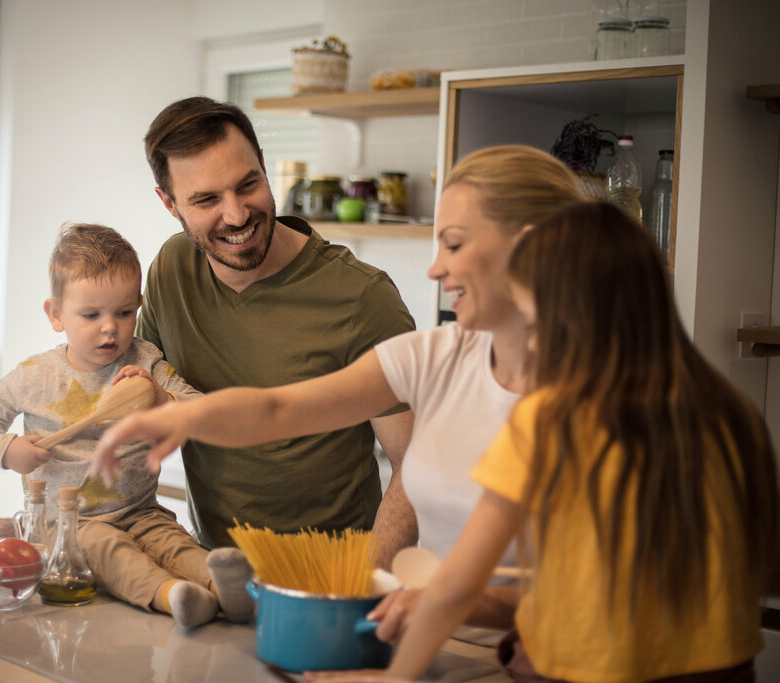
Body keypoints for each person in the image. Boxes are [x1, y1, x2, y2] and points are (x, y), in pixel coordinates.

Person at [91, 144, 585, 631]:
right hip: (478, 633)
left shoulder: (589, 399)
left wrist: (369, 593)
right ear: (170, 203)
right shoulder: (438, 354)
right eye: (206, 199)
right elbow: (279, 410)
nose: (434, 269)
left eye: (453, 243)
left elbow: (581, 585)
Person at [306, 202, 780, 682]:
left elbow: (458, 582)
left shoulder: (553, 418)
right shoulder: (727, 408)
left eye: (530, 322)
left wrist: (391, 680)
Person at [138, 96, 418, 566]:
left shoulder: (362, 297)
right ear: (169, 204)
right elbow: (146, 384)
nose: (237, 215)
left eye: (247, 185)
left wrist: (361, 583)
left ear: (265, 167)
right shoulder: (172, 270)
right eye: (206, 200)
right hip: (214, 574)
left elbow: (419, 463)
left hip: (330, 580)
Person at [0, 223, 253, 629]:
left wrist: (161, 398)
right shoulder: (34, 375)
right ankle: (173, 596)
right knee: (109, 549)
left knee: (174, 543)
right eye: (91, 314)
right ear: (56, 314)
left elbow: (200, 409)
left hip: (141, 511)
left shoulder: (146, 360)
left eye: (123, 312)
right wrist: (8, 449)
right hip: (67, 527)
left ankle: (226, 589)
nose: (110, 327)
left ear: (138, 305)